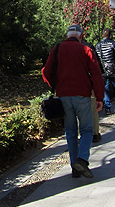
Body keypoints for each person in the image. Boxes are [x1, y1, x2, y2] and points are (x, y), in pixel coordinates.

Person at [43, 24, 104, 179]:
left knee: (70, 132)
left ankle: (74, 167)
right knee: (87, 130)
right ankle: (82, 159)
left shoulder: (56, 49)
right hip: (82, 94)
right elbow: (96, 74)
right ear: (81, 36)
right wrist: (99, 97)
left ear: (67, 35)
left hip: (63, 96)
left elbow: (46, 71)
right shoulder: (85, 50)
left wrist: (56, 85)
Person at [81, 31, 103, 143]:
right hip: (89, 82)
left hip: (74, 84)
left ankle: (81, 133)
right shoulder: (88, 47)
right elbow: (96, 66)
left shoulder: (65, 48)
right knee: (93, 109)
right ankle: (95, 133)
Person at [95, 28, 115, 115]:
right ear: (110, 35)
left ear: (103, 35)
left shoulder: (98, 45)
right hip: (112, 67)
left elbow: (97, 58)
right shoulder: (114, 43)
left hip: (103, 68)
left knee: (106, 88)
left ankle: (107, 107)